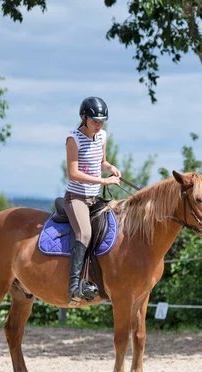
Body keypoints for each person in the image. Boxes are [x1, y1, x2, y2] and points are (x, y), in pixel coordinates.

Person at [65, 96, 121, 306]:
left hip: (94, 197)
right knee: (85, 232)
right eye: (95, 121)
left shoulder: (102, 136)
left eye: (102, 121)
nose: (99, 125)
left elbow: (102, 162)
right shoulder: (73, 139)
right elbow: (73, 173)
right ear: (83, 118)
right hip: (76, 198)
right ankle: (73, 287)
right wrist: (102, 180)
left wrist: (111, 168)